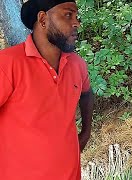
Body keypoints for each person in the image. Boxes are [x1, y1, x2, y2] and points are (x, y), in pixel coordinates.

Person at [0, 0, 94, 179]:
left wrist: (86, 132)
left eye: (76, 16)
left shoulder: (77, 64)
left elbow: (87, 94)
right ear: (43, 19)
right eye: (68, 15)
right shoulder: (7, 64)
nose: (77, 23)